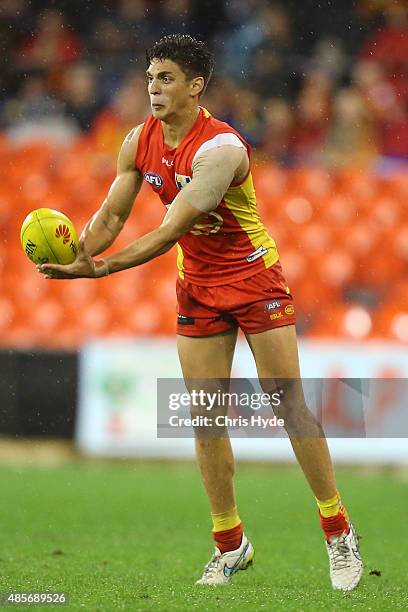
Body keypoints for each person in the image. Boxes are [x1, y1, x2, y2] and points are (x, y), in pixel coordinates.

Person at [38, 34, 363, 591]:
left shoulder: (222, 149)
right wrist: (79, 251)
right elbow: (113, 215)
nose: (153, 88)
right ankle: (230, 544)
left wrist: (104, 269)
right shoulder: (138, 141)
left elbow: (169, 231)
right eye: (149, 77)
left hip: (254, 277)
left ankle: (338, 531)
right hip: (200, 286)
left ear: (195, 85)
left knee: (287, 404)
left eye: (165, 78)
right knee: (206, 415)